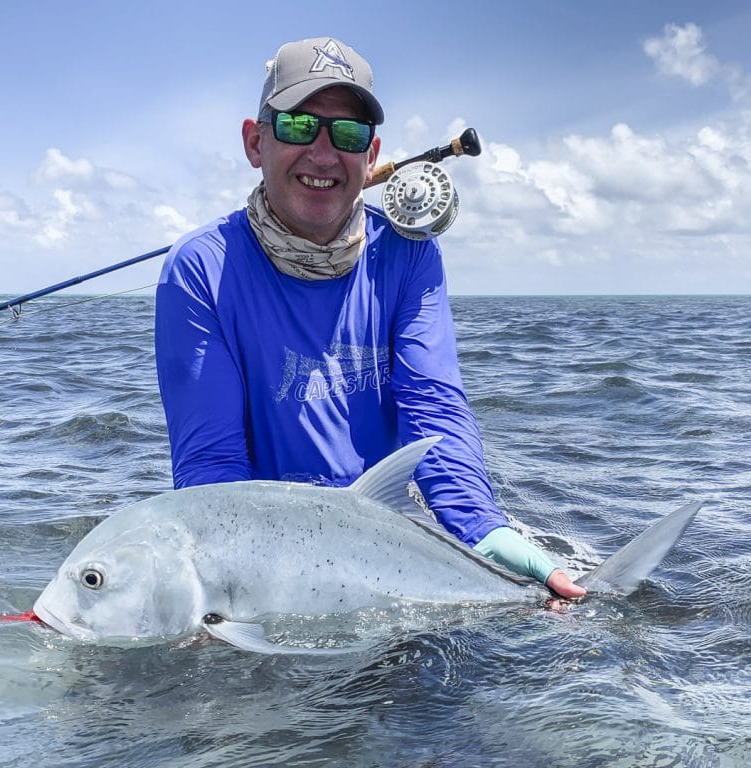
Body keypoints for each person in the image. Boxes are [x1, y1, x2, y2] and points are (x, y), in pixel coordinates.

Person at [154, 36, 585, 600]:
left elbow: (432, 405)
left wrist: (482, 530)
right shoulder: (199, 269)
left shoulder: (407, 253)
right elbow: (212, 462)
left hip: (385, 542)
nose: (325, 154)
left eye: (349, 134)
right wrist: (226, 583)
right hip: (263, 558)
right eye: (300, 126)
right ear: (254, 141)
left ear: (371, 151)